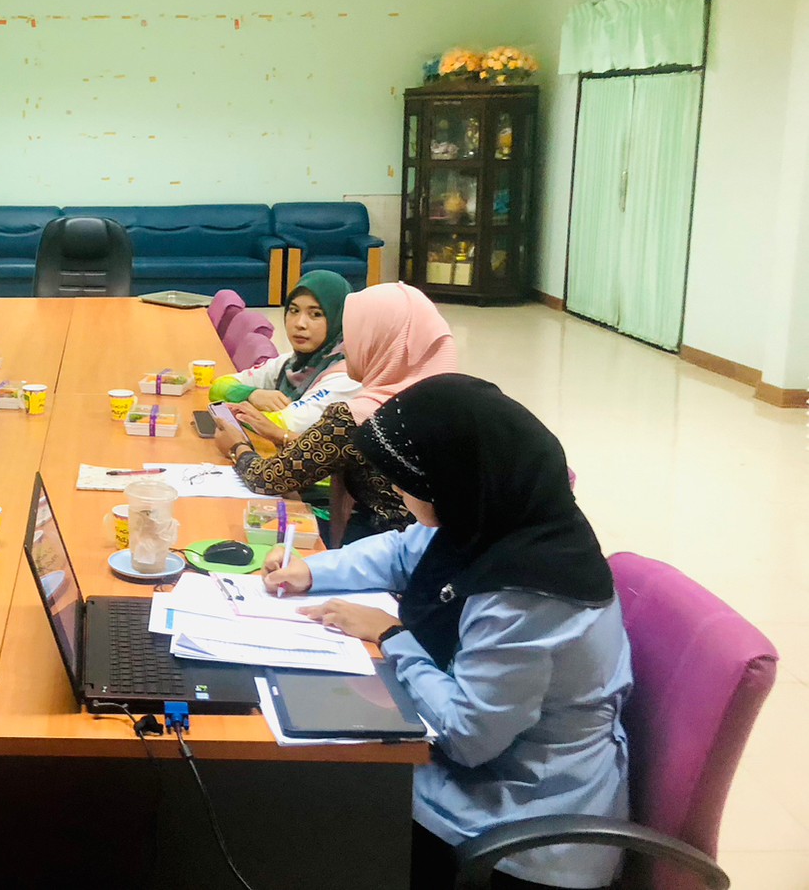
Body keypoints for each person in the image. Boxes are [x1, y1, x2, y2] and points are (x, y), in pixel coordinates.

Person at [263, 374, 631, 890]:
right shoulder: (492, 516)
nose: (393, 488)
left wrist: (393, 639)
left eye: (407, 478)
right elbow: (401, 551)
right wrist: (312, 571)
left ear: (455, 478)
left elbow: (466, 737)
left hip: (521, 832)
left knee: (295, 800)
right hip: (477, 777)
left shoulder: (528, 592)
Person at [211, 282, 456, 544]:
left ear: (380, 340)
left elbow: (269, 478)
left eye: (354, 335)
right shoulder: (451, 400)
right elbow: (342, 449)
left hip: (384, 547)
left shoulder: (361, 414)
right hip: (447, 550)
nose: (345, 346)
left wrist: (237, 447)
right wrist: (283, 435)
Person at [207, 270, 359, 438]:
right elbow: (218, 386)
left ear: (339, 318)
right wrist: (251, 394)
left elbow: (284, 424)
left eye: (315, 314)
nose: (300, 324)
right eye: (294, 310)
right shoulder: (290, 364)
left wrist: (230, 411)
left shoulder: (347, 375)